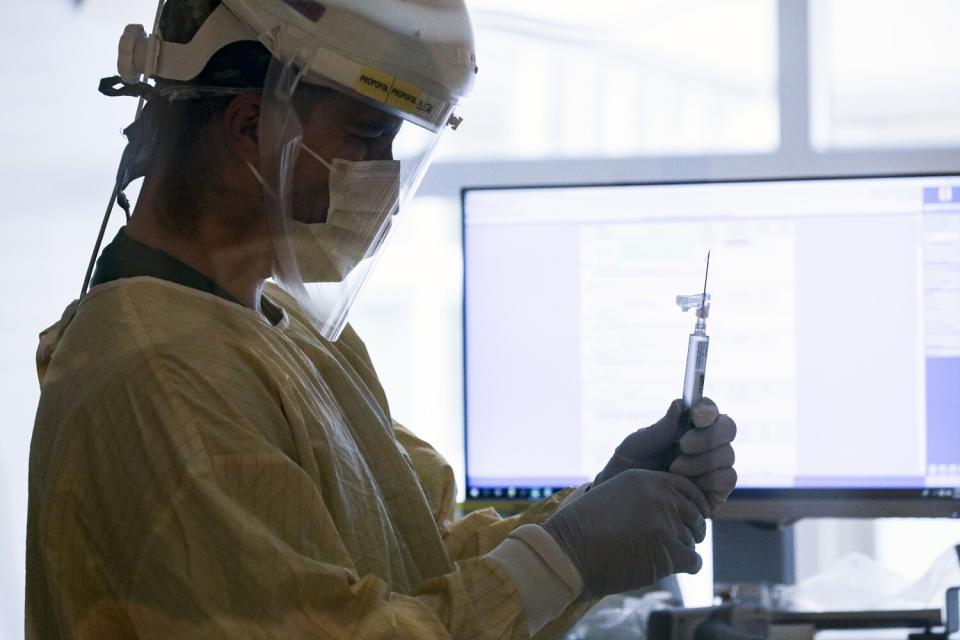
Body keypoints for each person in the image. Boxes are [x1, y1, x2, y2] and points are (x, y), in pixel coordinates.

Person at [26, 0, 738, 638]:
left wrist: (591, 508)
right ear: (251, 126)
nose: (386, 180)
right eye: (368, 139)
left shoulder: (278, 325)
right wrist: (568, 558)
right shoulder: (163, 382)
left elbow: (417, 558)